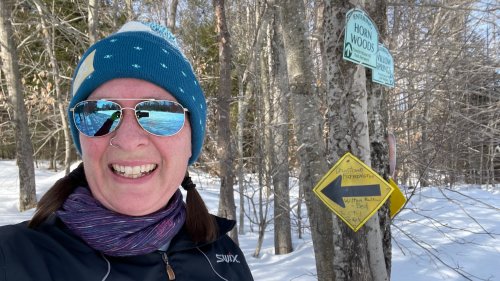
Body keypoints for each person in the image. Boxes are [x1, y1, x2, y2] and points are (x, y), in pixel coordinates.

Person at [0, 21, 254, 281]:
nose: (128, 140)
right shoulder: (14, 258)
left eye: (160, 112)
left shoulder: (225, 257)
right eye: (99, 113)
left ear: (191, 140)